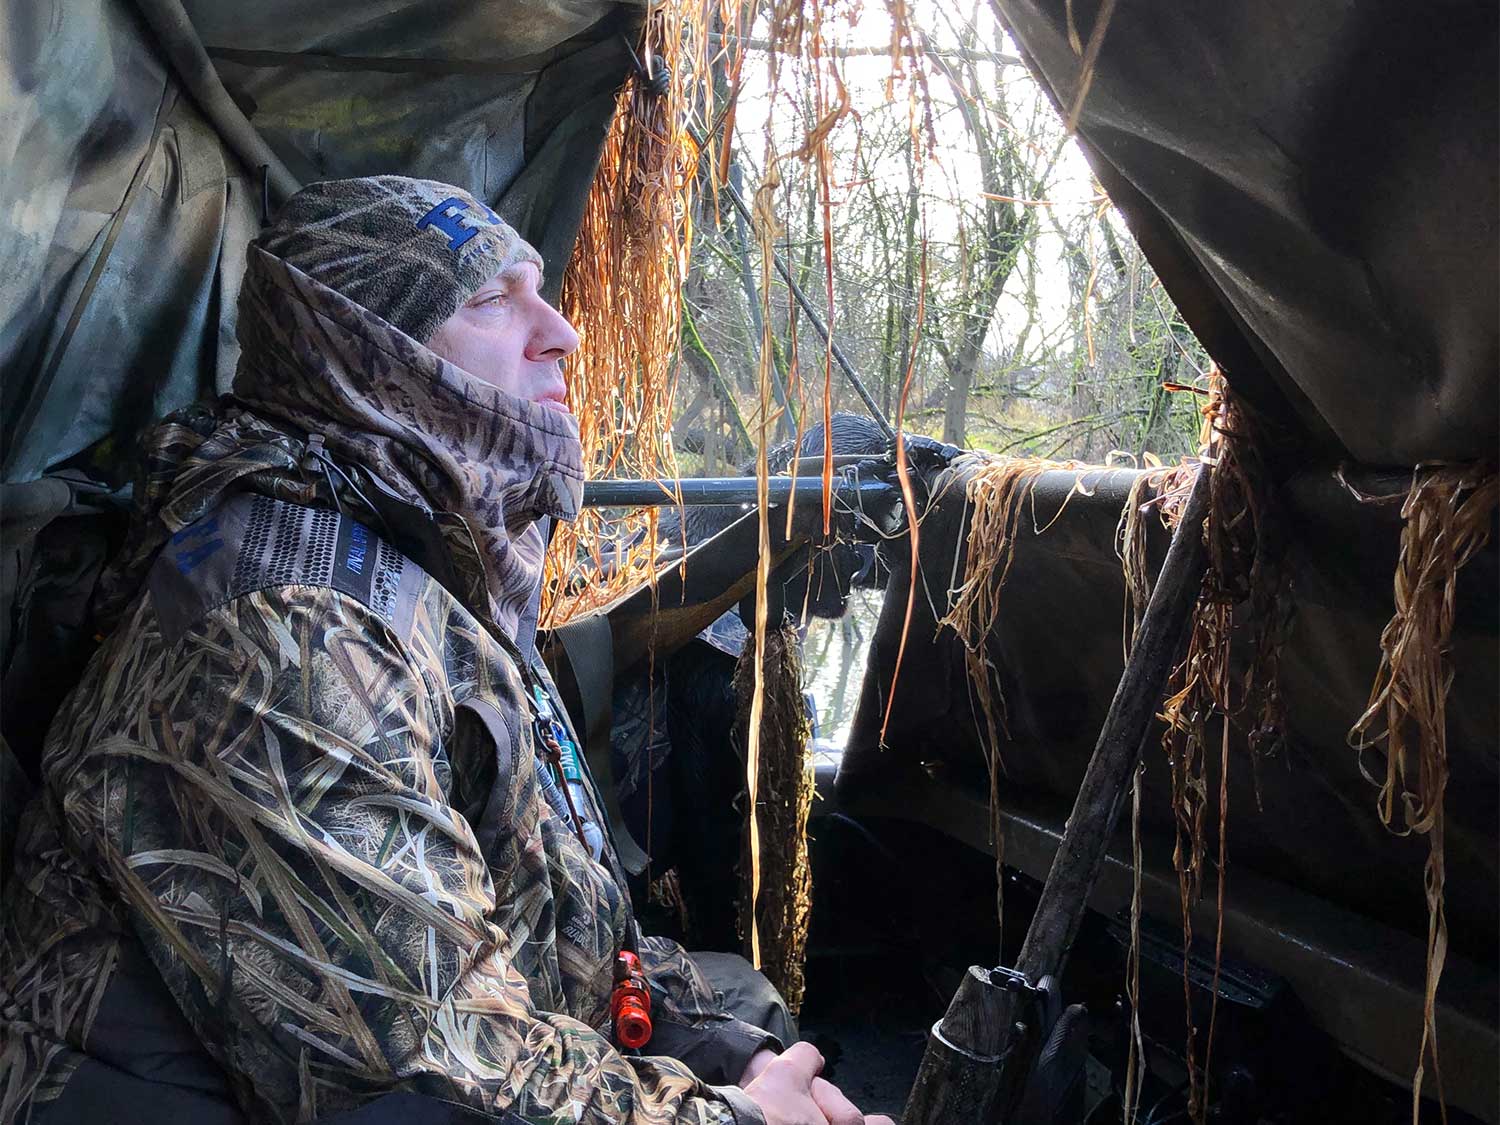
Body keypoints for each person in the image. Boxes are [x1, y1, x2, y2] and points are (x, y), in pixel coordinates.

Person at [0, 177, 893, 1125]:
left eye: (538, 289)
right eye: (488, 301)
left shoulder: (426, 571)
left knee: (749, 1009)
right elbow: (432, 1069)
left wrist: (732, 1057)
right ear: (366, 352)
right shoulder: (289, 627)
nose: (562, 332)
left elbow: (550, 930)